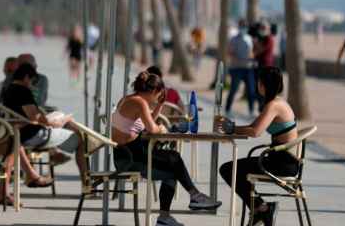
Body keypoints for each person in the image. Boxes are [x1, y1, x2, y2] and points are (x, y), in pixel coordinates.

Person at [112, 71, 221, 226]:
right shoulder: (140, 102)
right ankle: (195, 197)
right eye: (159, 95)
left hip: (126, 154)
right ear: (153, 91)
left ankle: (167, 216)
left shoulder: (129, 99)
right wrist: (161, 129)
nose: (157, 98)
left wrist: (160, 105)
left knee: (172, 168)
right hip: (131, 158)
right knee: (174, 158)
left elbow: (145, 123)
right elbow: (152, 129)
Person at [218, 67, 299, 226]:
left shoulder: (274, 105)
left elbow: (255, 132)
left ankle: (262, 208)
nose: (257, 85)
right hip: (281, 159)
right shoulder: (278, 102)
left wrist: (232, 129)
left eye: (258, 82)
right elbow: (254, 126)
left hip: (282, 164)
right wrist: (232, 127)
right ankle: (261, 210)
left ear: (263, 85)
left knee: (228, 170)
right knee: (234, 169)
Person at [2, 63, 85, 177]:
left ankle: (55, 154)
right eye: (32, 81)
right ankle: (86, 183)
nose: (31, 85)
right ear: (26, 77)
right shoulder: (22, 91)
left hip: (17, 134)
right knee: (80, 139)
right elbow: (35, 117)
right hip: (32, 135)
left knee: (63, 120)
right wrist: (57, 122)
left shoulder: (7, 90)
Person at [225, 19, 257, 117]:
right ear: (239, 27)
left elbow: (251, 52)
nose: (244, 28)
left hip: (248, 68)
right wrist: (239, 57)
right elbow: (229, 52)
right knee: (234, 89)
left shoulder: (249, 38)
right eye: (242, 26)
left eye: (245, 26)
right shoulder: (233, 39)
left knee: (251, 90)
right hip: (236, 68)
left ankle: (251, 111)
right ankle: (228, 109)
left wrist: (251, 58)